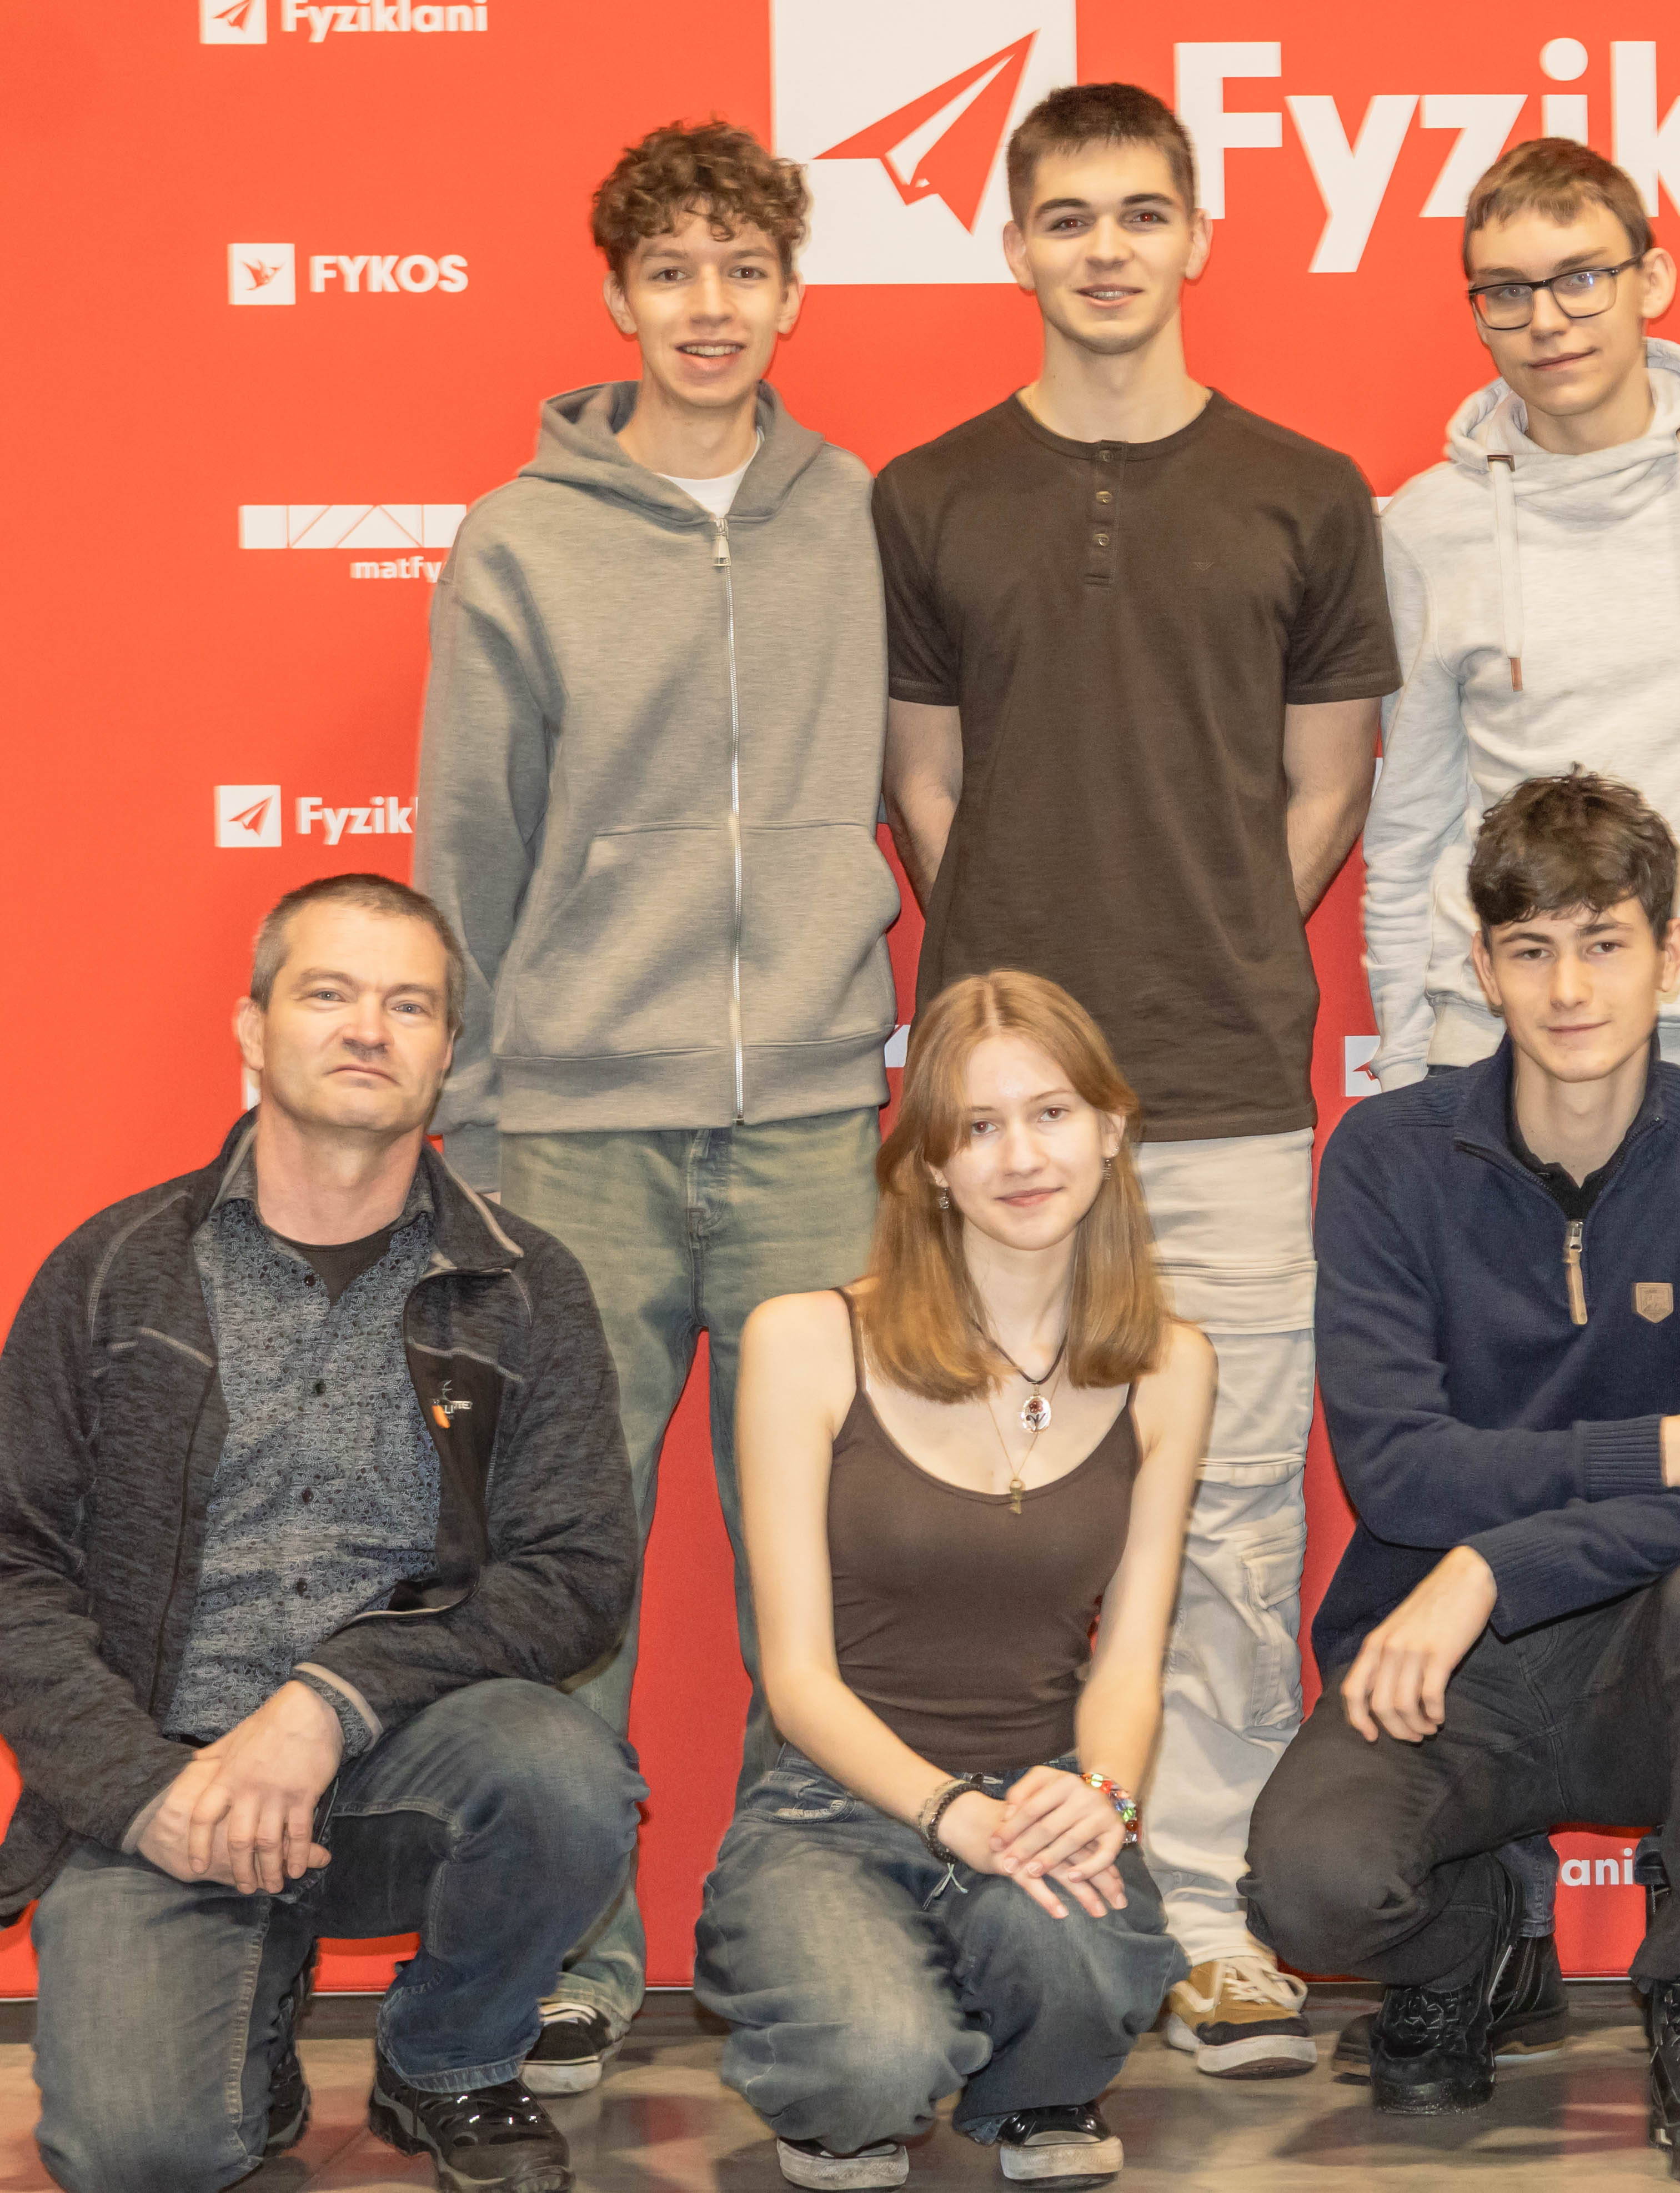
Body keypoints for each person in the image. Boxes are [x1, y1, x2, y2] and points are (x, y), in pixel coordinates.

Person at [875, 81, 1399, 2079]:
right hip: (995, 1118)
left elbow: (1326, 782)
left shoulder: (1304, 490)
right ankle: (997, 1898)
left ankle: (1205, 1913)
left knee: (1235, 1509)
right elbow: (924, 782)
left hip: (1228, 1085)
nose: (1106, 248)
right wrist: (1025, 1028)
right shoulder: (928, 494)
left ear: (1198, 235)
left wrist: (1218, 933)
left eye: (1140, 213)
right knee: (977, 1506)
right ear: (1014, 242)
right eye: (1068, 216)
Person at [414, 118, 897, 2087]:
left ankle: (799, 1926)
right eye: (674, 271)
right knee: (569, 1566)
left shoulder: (855, 512)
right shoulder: (519, 539)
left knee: (823, 1555)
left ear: (792, 293)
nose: (712, 305)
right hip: (575, 1132)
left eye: (745, 269)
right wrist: (465, 1118)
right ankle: (571, 1949)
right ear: (617, 295)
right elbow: (467, 838)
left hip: (809, 1121)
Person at [0, 876, 643, 2193]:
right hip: (172, 1782)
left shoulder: (524, 1286)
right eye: (329, 994)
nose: (368, 1028)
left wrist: (327, 1701)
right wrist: (140, 1790)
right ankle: (248, 2024)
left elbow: (575, 1574)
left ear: (447, 1049)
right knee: (138, 2156)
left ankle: (447, 2057)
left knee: (566, 1775)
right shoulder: (113, 1269)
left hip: (405, 1759)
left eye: (409, 1005)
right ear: (252, 1027)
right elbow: (13, 1564)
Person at [1247, 774, 1680, 2181]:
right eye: (1532, 949)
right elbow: (1400, 1473)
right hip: (1445, 1666)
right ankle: (1478, 1948)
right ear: (1483, 965)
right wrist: (1659, 1448)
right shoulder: (1387, 1157)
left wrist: (1493, 1561)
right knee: (1310, 1891)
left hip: (1651, 1658)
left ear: (1671, 955)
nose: (1569, 989)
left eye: (1604, 942)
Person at [696, 971, 1207, 2190]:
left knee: (1079, 1990)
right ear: (930, 1162)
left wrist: (1102, 1796)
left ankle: (1028, 2070)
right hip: (833, 1803)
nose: (1020, 1157)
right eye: (977, 1127)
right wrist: (945, 1814)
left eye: (1051, 1113)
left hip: (1039, 1795)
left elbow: (1128, 1663)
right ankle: (871, 2036)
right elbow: (797, 1677)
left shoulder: (1170, 1364)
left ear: (1110, 1129)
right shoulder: (804, 1339)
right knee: (869, 2070)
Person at [1362, 134, 1680, 1102]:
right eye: (1508, 292)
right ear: (1480, 315)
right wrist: (1404, 1069)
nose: (1547, 321)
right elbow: (1408, 829)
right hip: (1494, 1052)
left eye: (1581, 279)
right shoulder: (1428, 527)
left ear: (1653, 280)